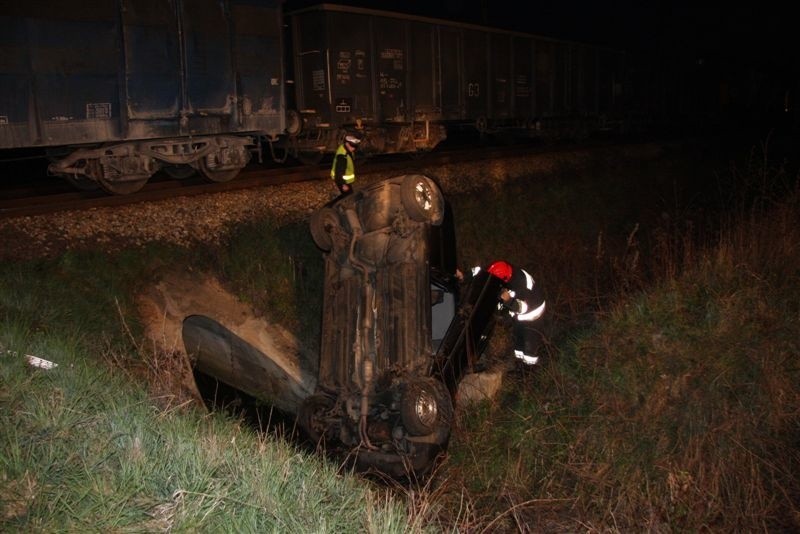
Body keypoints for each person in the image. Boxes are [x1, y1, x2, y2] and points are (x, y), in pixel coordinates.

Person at [460, 260, 546, 365]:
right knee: (518, 339)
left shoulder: (521, 287)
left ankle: (530, 371)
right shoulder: (498, 268)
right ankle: (518, 364)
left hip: (532, 313)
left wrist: (508, 300)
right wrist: (464, 276)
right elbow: (478, 271)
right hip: (519, 312)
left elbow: (523, 307)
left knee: (529, 345)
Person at [330, 132, 361, 196]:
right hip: (341, 180)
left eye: (355, 146)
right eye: (352, 146)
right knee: (348, 197)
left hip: (344, 180)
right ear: (347, 143)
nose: (354, 148)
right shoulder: (342, 156)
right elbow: (339, 172)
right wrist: (343, 184)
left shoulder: (346, 149)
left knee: (347, 196)